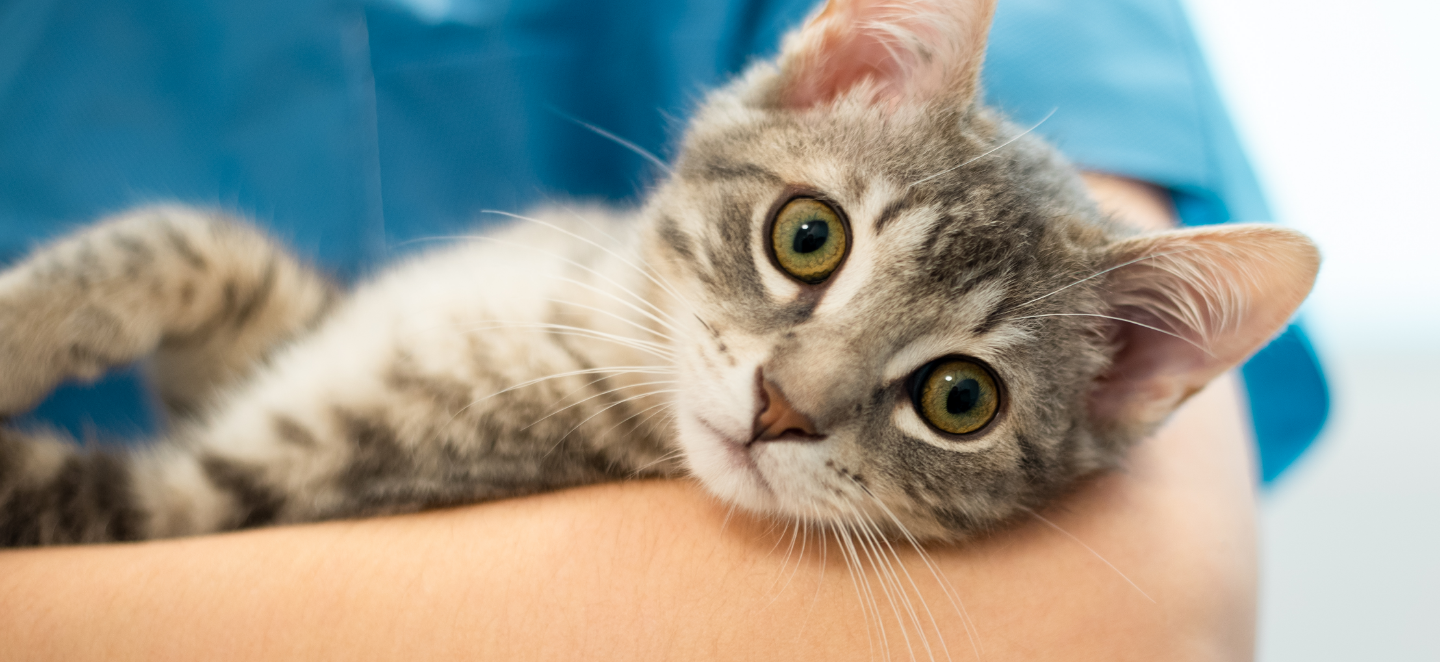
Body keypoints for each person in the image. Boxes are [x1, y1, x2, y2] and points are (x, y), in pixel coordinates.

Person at [0, 0, 1327, 658]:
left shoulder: (568, 419)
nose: (793, 398)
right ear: (837, 69)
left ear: (1129, 374)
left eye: (956, 397)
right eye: (808, 243)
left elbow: (1127, 622)